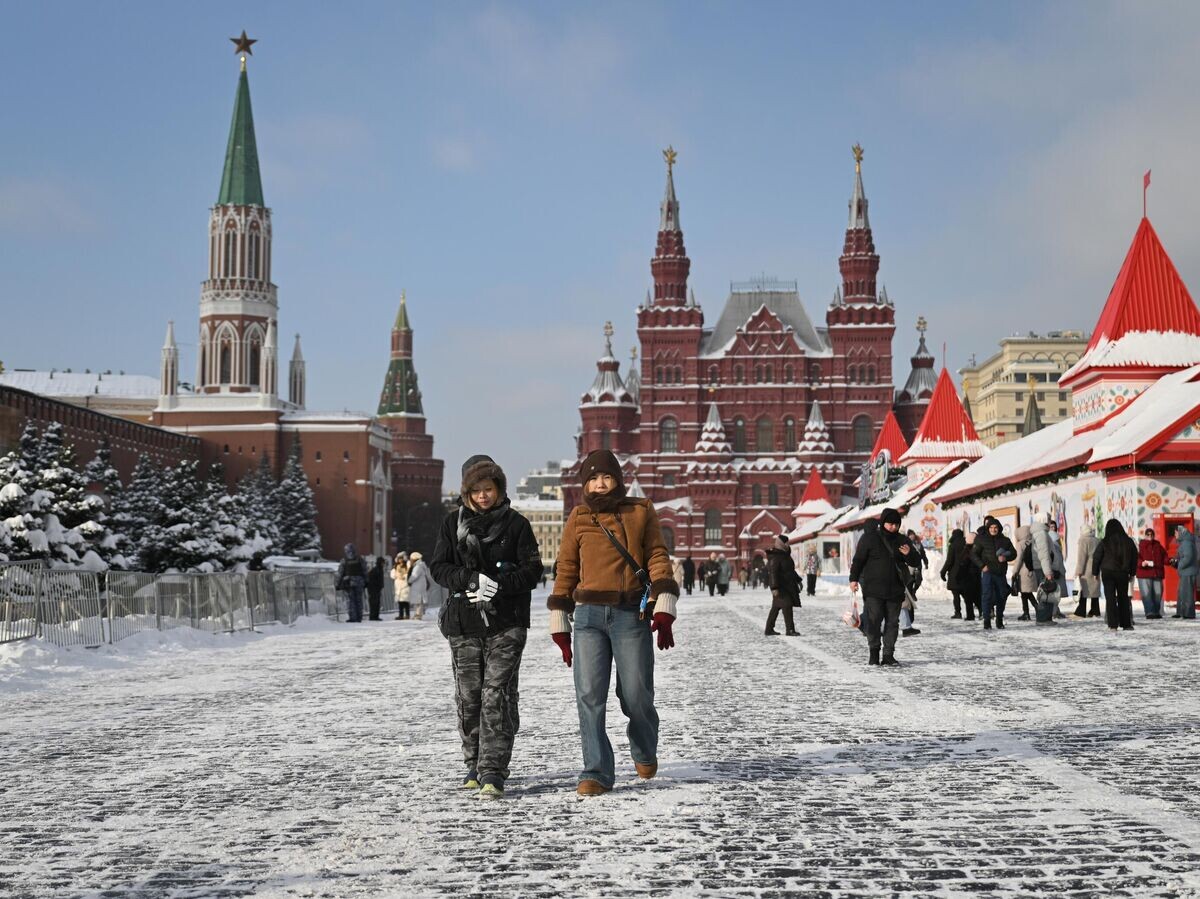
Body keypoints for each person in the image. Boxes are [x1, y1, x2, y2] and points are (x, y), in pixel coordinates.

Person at [548, 449, 678, 797]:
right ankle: (596, 770)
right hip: (589, 617)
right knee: (589, 695)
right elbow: (566, 569)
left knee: (635, 694)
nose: (600, 484)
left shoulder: (640, 510)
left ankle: (644, 746)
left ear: (617, 479)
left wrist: (664, 603)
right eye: (593, 478)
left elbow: (656, 555)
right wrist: (560, 619)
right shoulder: (578, 517)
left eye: (606, 477)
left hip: (629, 614)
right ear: (585, 484)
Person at [429, 455, 543, 800]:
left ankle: (493, 770)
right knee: (469, 696)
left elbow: (533, 571)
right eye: (476, 490)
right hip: (463, 623)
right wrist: (467, 578)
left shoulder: (517, 525)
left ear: (499, 489)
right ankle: (473, 763)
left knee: (497, 694)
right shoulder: (452, 525)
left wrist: (498, 583)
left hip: (506, 622)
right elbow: (439, 568)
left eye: (488, 489)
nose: (483, 496)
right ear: (467, 492)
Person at [849, 508, 920, 666]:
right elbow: (858, 560)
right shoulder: (870, 538)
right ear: (883, 522)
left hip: (895, 590)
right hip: (873, 590)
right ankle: (874, 653)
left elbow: (916, 562)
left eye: (896, 524)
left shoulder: (903, 540)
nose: (893, 527)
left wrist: (909, 554)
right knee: (874, 622)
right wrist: (853, 579)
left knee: (892, 623)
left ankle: (888, 655)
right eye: (890, 524)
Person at [1093, 519, 1138, 631]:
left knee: (1110, 598)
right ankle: (1126, 624)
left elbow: (1097, 557)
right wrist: (1132, 573)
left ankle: (1112, 625)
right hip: (1122, 573)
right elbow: (1134, 558)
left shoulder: (1104, 541)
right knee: (1123, 598)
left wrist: (1095, 572)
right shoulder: (1128, 541)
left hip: (1107, 572)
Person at [972, 518, 1017, 630]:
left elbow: (1014, 553)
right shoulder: (981, 539)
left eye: (995, 527)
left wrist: (1006, 556)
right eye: (991, 527)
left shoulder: (1005, 540)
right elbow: (973, 554)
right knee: (986, 596)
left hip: (1000, 573)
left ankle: (999, 620)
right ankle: (987, 621)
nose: (993, 529)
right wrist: (982, 566)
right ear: (988, 528)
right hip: (988, 572)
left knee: (1001, 596)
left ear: (999, 528)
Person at [765, 534, 800, 636]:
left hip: (787, 585)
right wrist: (774, 587)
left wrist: (798, 580)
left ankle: (769, 629)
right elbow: (773, 573)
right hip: (781, 586)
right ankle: (790, 630)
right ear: (781, 543)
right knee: (787, 606)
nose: (788, 544)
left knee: (776, 607)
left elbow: (790, 571)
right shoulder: (776, 556)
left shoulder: (785, 555)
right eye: (786, 542)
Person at [1137, 528, 1167, 619]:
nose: (1150, 536)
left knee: (1158, 593)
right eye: (1148, 534)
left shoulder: (1158, 545)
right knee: (1147, 594)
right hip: (1144, 573)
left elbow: (1164, 556)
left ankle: (1156, 611)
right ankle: (1149, 612)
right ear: (1145, 535)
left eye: (1151, 534)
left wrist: (1170, 561)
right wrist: (1141, 563)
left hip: (1156, 572)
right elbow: (1136, 558)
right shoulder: (1141, 545)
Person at [1011, 526, 1038, 621]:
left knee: (1026, 593)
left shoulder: (1020, 544)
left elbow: (1018, 559)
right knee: (1026, 593)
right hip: (1032, 570)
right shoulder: (1033, 542)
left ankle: (1032, 610)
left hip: (1023, 572)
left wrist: (1014, 572)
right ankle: (1028, 612)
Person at [1074, 530, 1103, 618]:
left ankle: (1081, 611)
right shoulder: (1097, 540)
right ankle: (1095, 610)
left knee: (1084, 589)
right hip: (1096, 566)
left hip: (1086, 568)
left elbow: (1081, 558)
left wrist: (1078, 571)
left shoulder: (1083, 540)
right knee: (1094, 590)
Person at [940, 529, 969, 619]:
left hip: (955, 574)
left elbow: (949, 561)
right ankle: (971, 613)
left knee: (956, 595)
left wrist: (943, 572)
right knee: (967, 596)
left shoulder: (953, 546)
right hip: (966, 573)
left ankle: (958, 612)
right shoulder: (966, 544)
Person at [337, 544, 368, 623]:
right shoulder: (360, 559)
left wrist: (338, 583)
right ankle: (359, 617)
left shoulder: (344, 560)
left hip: (349, 582)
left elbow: (340, 573)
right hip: (359, 582)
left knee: (350, 601)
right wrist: (366, 581)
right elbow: (365, 570)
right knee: (359, 600)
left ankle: (352, 617)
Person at [1172, 524, 1197, 619]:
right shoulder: (1184, 542)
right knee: (1181, 592)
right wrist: (1175, 561)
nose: (1175, 535)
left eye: (1175, 533)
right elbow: (1182, 556)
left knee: (1187, 593)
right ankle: (1181, 612)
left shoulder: (1187, 543)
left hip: (1188, 572)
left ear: (1180, 532)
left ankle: (1188, 613)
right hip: (1185, 572)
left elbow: (1188, 557)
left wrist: (1179, 565)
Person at [408, 551, 433, 620]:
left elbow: (414, 576)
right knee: (419, 601)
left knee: (418, 601)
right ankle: (418, 614)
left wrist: (409, 581)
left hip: (417, 587)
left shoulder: (418, 566)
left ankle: (418, 615)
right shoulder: (421, 565)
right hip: (420, 586)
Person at [392, 552, 411, 620]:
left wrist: (404, 577)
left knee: (405, 601)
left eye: (401, 559)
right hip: (398, 585)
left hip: (404, 584)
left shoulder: (407, 565)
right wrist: (398, 576)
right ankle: (401, 615)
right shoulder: (396, 566)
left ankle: (407, 615)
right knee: (400, 602)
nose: (400, 560)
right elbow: (393, 575)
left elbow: (409, 574)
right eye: (399, 559)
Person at [366, 556, 385, 621]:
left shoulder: (378, 569)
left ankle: (375, 616)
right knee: (374, 603)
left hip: (376, 589)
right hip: (373, 589)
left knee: (376, 603)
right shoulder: (376, 570)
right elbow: (373, 579)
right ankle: (373, 616)